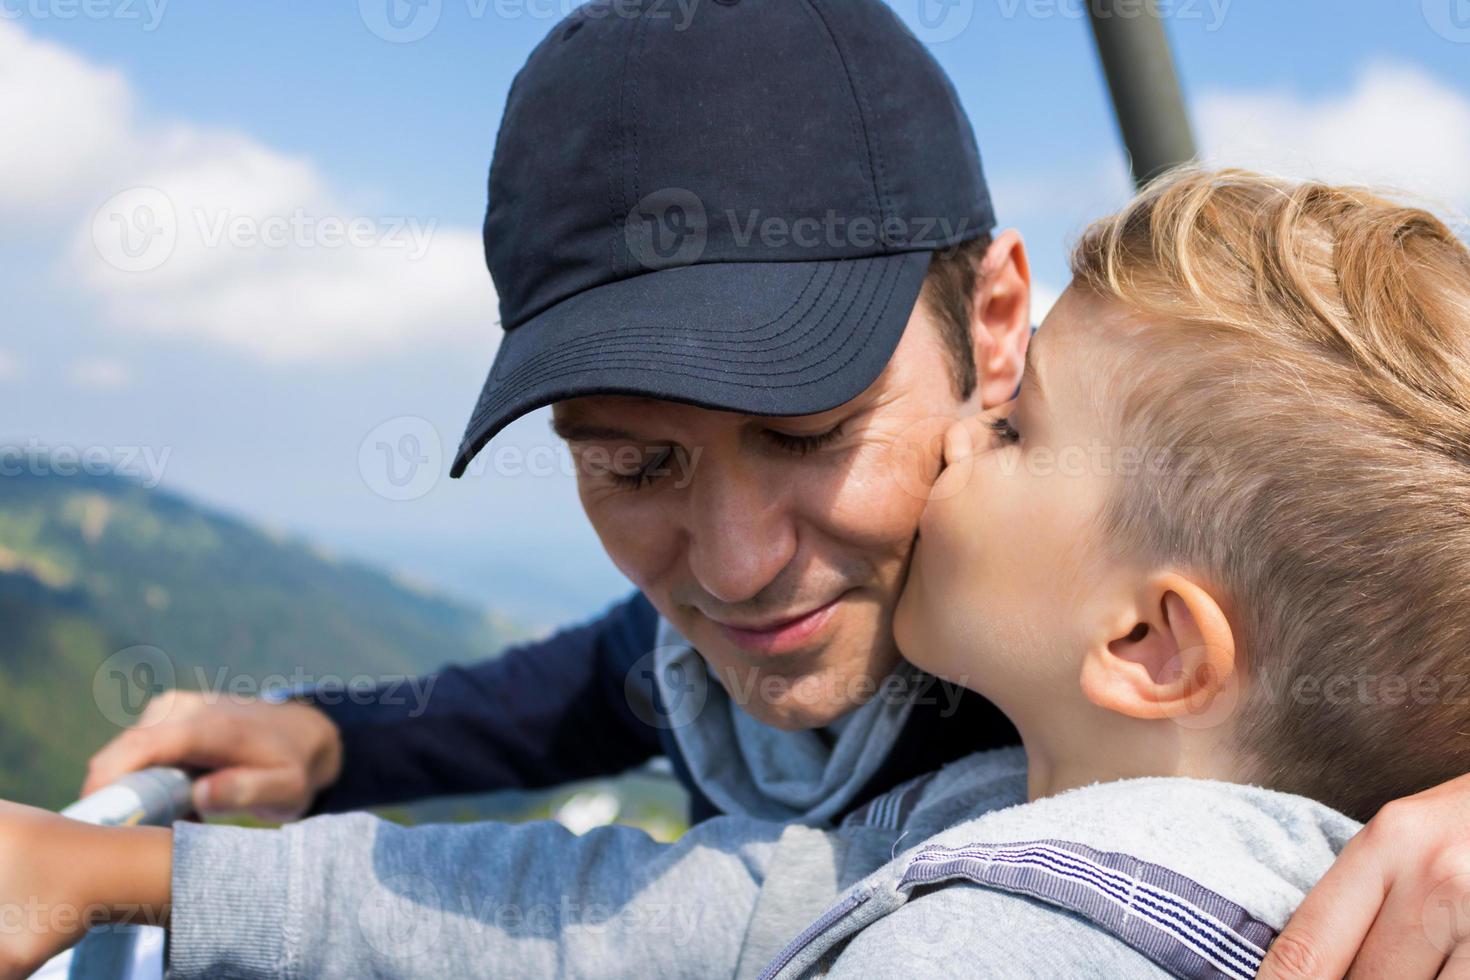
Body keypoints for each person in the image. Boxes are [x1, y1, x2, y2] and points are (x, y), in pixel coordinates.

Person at [72, 3, 1470, 976]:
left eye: (811, 432)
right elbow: (606, 678)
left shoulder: (1058, 717)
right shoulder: (1026, 599)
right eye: (631, 464)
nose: (733, 567)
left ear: (993, 328)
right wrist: (335, 738)